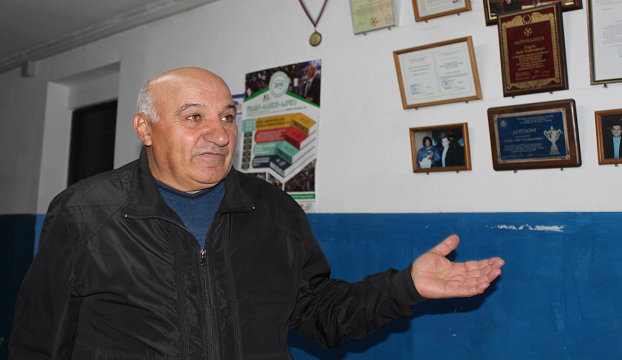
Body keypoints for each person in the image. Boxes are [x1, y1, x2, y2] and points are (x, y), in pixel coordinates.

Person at [10, 67, 504, 359]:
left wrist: (407, 286)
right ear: (145, 128)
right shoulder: (85, 212)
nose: (219, 134)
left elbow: (319, 313)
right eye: (194, 117)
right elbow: (40, 340)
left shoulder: (272, 209)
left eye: (227, 116)